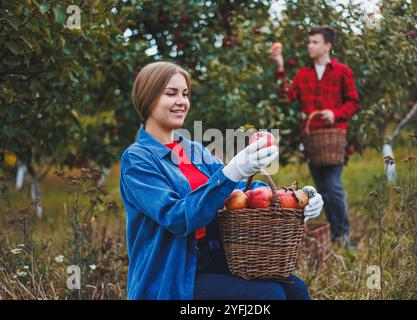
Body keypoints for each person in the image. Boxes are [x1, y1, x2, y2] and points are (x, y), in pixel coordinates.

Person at [119, 61, 324, 300]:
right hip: (172, 275)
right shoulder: (138, 159)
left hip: (215, 258)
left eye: (185, 94)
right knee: (269, 296)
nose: (181, 101)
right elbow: (177, 217)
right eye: (170, 93)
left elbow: (238, 190)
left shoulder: (194, 150)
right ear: (148, 98)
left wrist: (295, 199)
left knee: (295, 289)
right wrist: (232, 171)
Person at [269, 26, 360, 247]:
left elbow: (354, 102)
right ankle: (335, 235)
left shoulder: (342, 72)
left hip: (333, 141)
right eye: (309, 42)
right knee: (323, 190)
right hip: (312, 141)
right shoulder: (304, 74)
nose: (310, 45)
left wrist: (335, 113)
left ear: (327, 45)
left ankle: (343, 236)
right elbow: (286, 97)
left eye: (314, 42)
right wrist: (279, 64)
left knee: (333, 186)